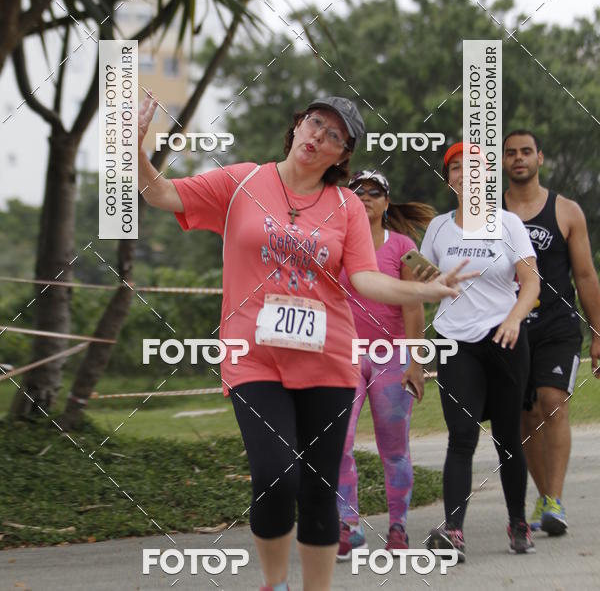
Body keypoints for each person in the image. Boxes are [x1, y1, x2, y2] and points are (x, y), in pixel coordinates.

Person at [138, 93, 473, 591]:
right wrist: (133, 151)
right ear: (297, 126)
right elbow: (161, 195)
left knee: (320, 489)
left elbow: (365, 279)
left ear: (343, 155)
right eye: (316, 123)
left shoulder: (345, 206)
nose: (320, 136)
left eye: (335, 135)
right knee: (276, 476)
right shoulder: (243, 181)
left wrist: (422, 289)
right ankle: (274, 583)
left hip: (328, 362)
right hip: (254, 358)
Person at [422, 142, 541, 559]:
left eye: (472, 167)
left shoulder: (508, 224)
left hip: (505, 340)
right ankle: (453, 529)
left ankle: (518, 521)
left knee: (509, 436)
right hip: (456, 343)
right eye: (455, 168)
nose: (463, 174)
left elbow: (531, 283)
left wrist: (513, 319)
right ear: (449, 178)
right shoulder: (437, 229)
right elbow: (422, 284)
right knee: (461, 436)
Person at [502, 129, 600, 535]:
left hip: (558, 326)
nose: (519, 159)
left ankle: (555, 499)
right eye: (511, 154)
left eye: (526, 152)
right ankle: (543, 495)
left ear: (540, 158)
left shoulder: (567, 211)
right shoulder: (488, 213)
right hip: (508, 327)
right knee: (525, 414)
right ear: (503, 163)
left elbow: (585, 275)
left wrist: (597, 334)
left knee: (552, 401)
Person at [336, 169, 435, 559]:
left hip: (391, 357)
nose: (365, 197)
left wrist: (416, 363)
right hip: (344, 355)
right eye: (357, 191)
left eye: (374, 192)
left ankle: (398, 527)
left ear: (386, 202)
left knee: (393, 447)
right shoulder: (338, 243)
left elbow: (414, 306)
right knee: (337, 442)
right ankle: (349, 525)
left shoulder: (403, 247)